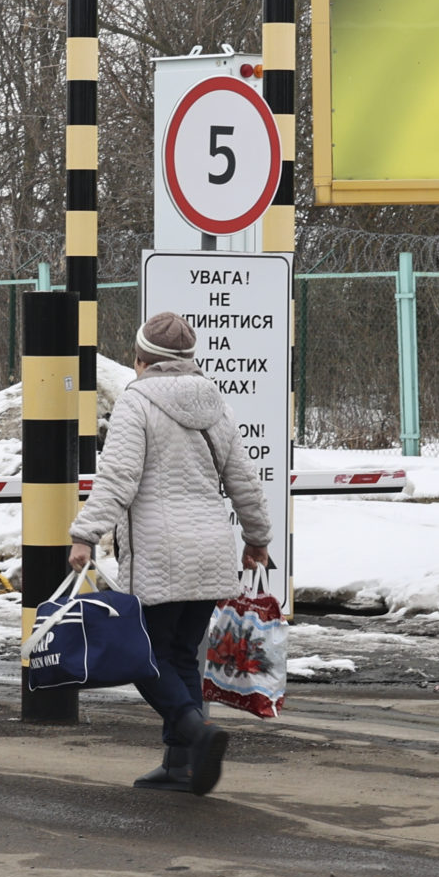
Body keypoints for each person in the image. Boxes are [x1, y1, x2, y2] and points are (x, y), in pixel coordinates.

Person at [69, 312, 274, 797]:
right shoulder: (215, 403)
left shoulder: (136, 402)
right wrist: (257, 538)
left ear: (141, 359)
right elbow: (243, 479)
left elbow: (118, 478)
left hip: (161, 551)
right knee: (181, 653)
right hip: (211, 548)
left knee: (143, 656)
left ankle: (195, 732)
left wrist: (85, 534)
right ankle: (181, 764)